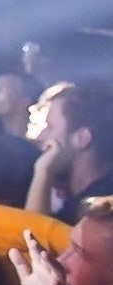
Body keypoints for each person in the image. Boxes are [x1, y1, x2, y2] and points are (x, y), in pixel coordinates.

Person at [30, 83, 113, 223]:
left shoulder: (96, 210)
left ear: (82, 139)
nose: (41, 137)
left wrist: (43, 171)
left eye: (50, 127)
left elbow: (32, 238)